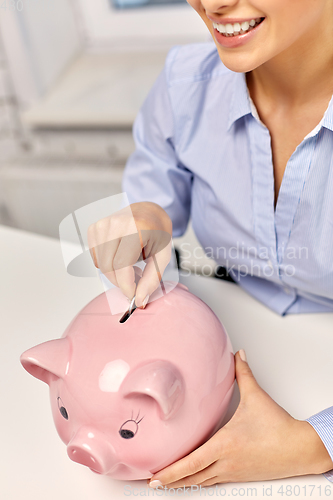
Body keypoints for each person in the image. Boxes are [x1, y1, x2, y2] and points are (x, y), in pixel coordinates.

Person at [87, 0, 333, 487]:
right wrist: (146, 215)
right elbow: (155, 188)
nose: (214, 3)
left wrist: (315, 442)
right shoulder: (186, 85)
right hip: (241, 330)